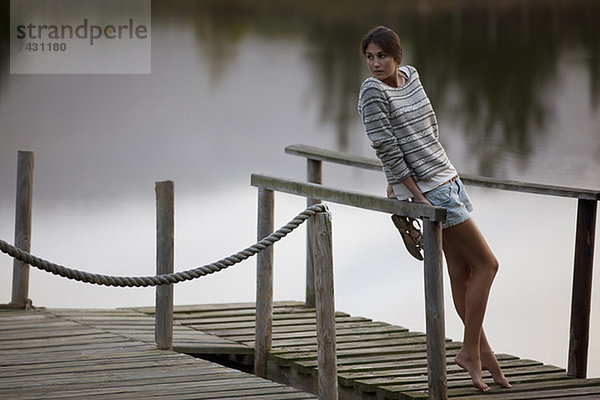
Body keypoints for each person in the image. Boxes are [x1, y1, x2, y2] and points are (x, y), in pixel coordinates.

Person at [357, 25, 511, 392]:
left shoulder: (412, 79)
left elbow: (428, 127)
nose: (376, 64)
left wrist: (420, 181)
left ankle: (482, 354)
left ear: (398, 57)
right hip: (430, 192)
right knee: (488, 264)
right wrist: (414, 194)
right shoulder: (371, 93)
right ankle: (471, 351)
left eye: (382, 56)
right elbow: (386, 147)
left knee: (462, 271)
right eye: (369, 57)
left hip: (448, 179)